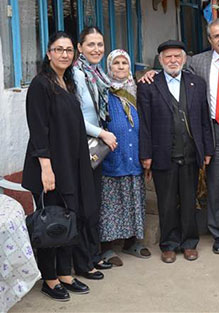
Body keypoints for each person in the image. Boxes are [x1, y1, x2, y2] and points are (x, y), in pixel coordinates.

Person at [140, 19, 219, 255]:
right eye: (216, 36)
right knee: (215, 183)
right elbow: (172, 73)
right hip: (214, 129)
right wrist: (151, 72)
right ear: (210, 40)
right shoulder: (198, 62)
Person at [22, 32, 97, 301]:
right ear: (49, 53)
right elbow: (38, 130)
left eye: (68, 50)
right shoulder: (40, 85)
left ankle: (66, 273)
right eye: (58, 49)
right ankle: (50, 279)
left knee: (69, 218)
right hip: (51, 166)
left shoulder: (66, 82)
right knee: (50, 222)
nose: (64, 54)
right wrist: (46, 168)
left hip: (71, 164)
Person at [137, 40, 213, 263]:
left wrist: (206, 149)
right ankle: (169, 244)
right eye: (168, 57)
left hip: (190, 153)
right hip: (163, 154)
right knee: (167, 203)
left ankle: (190, 243)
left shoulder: (196, 83)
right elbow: (144, 123)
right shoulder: (149, 85)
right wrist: (146, 155)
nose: (173, 61)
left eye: (177, 57)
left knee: (189, 201)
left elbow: (203, 119)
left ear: (184, 59)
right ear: (160, 61)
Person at [73, 26, 118, 275]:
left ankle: (93, 254)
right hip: (83, 146)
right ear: (80, 48)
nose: (97, 49)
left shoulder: (97, 73)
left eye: (100, 44)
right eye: (91, 44)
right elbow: (76, 117)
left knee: (94, 205)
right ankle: (84, 262)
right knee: (85, 206)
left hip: (96, 148)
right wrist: (102, 133)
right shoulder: (77, 74)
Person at [99, 49, 151, 263]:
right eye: (116, 63)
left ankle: (132, 242)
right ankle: (108, 246)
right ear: (109, 67)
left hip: (134, 153)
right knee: (110, 202)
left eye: (124, 63)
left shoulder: (137, 90)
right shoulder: (103, 91)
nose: (120, 67)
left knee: (133, 199)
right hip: (112, 154)